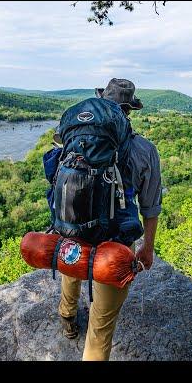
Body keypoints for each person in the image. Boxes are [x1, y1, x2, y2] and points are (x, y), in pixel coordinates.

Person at [56, 78, 162, 361]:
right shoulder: (145, 150)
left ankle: (67, 316)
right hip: (114, 247)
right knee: (100, 330)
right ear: (129, 110)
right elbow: (150, 207)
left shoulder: (74, 139)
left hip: (73, 232)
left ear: (101, 101)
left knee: (72, 266)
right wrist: (147, 248)